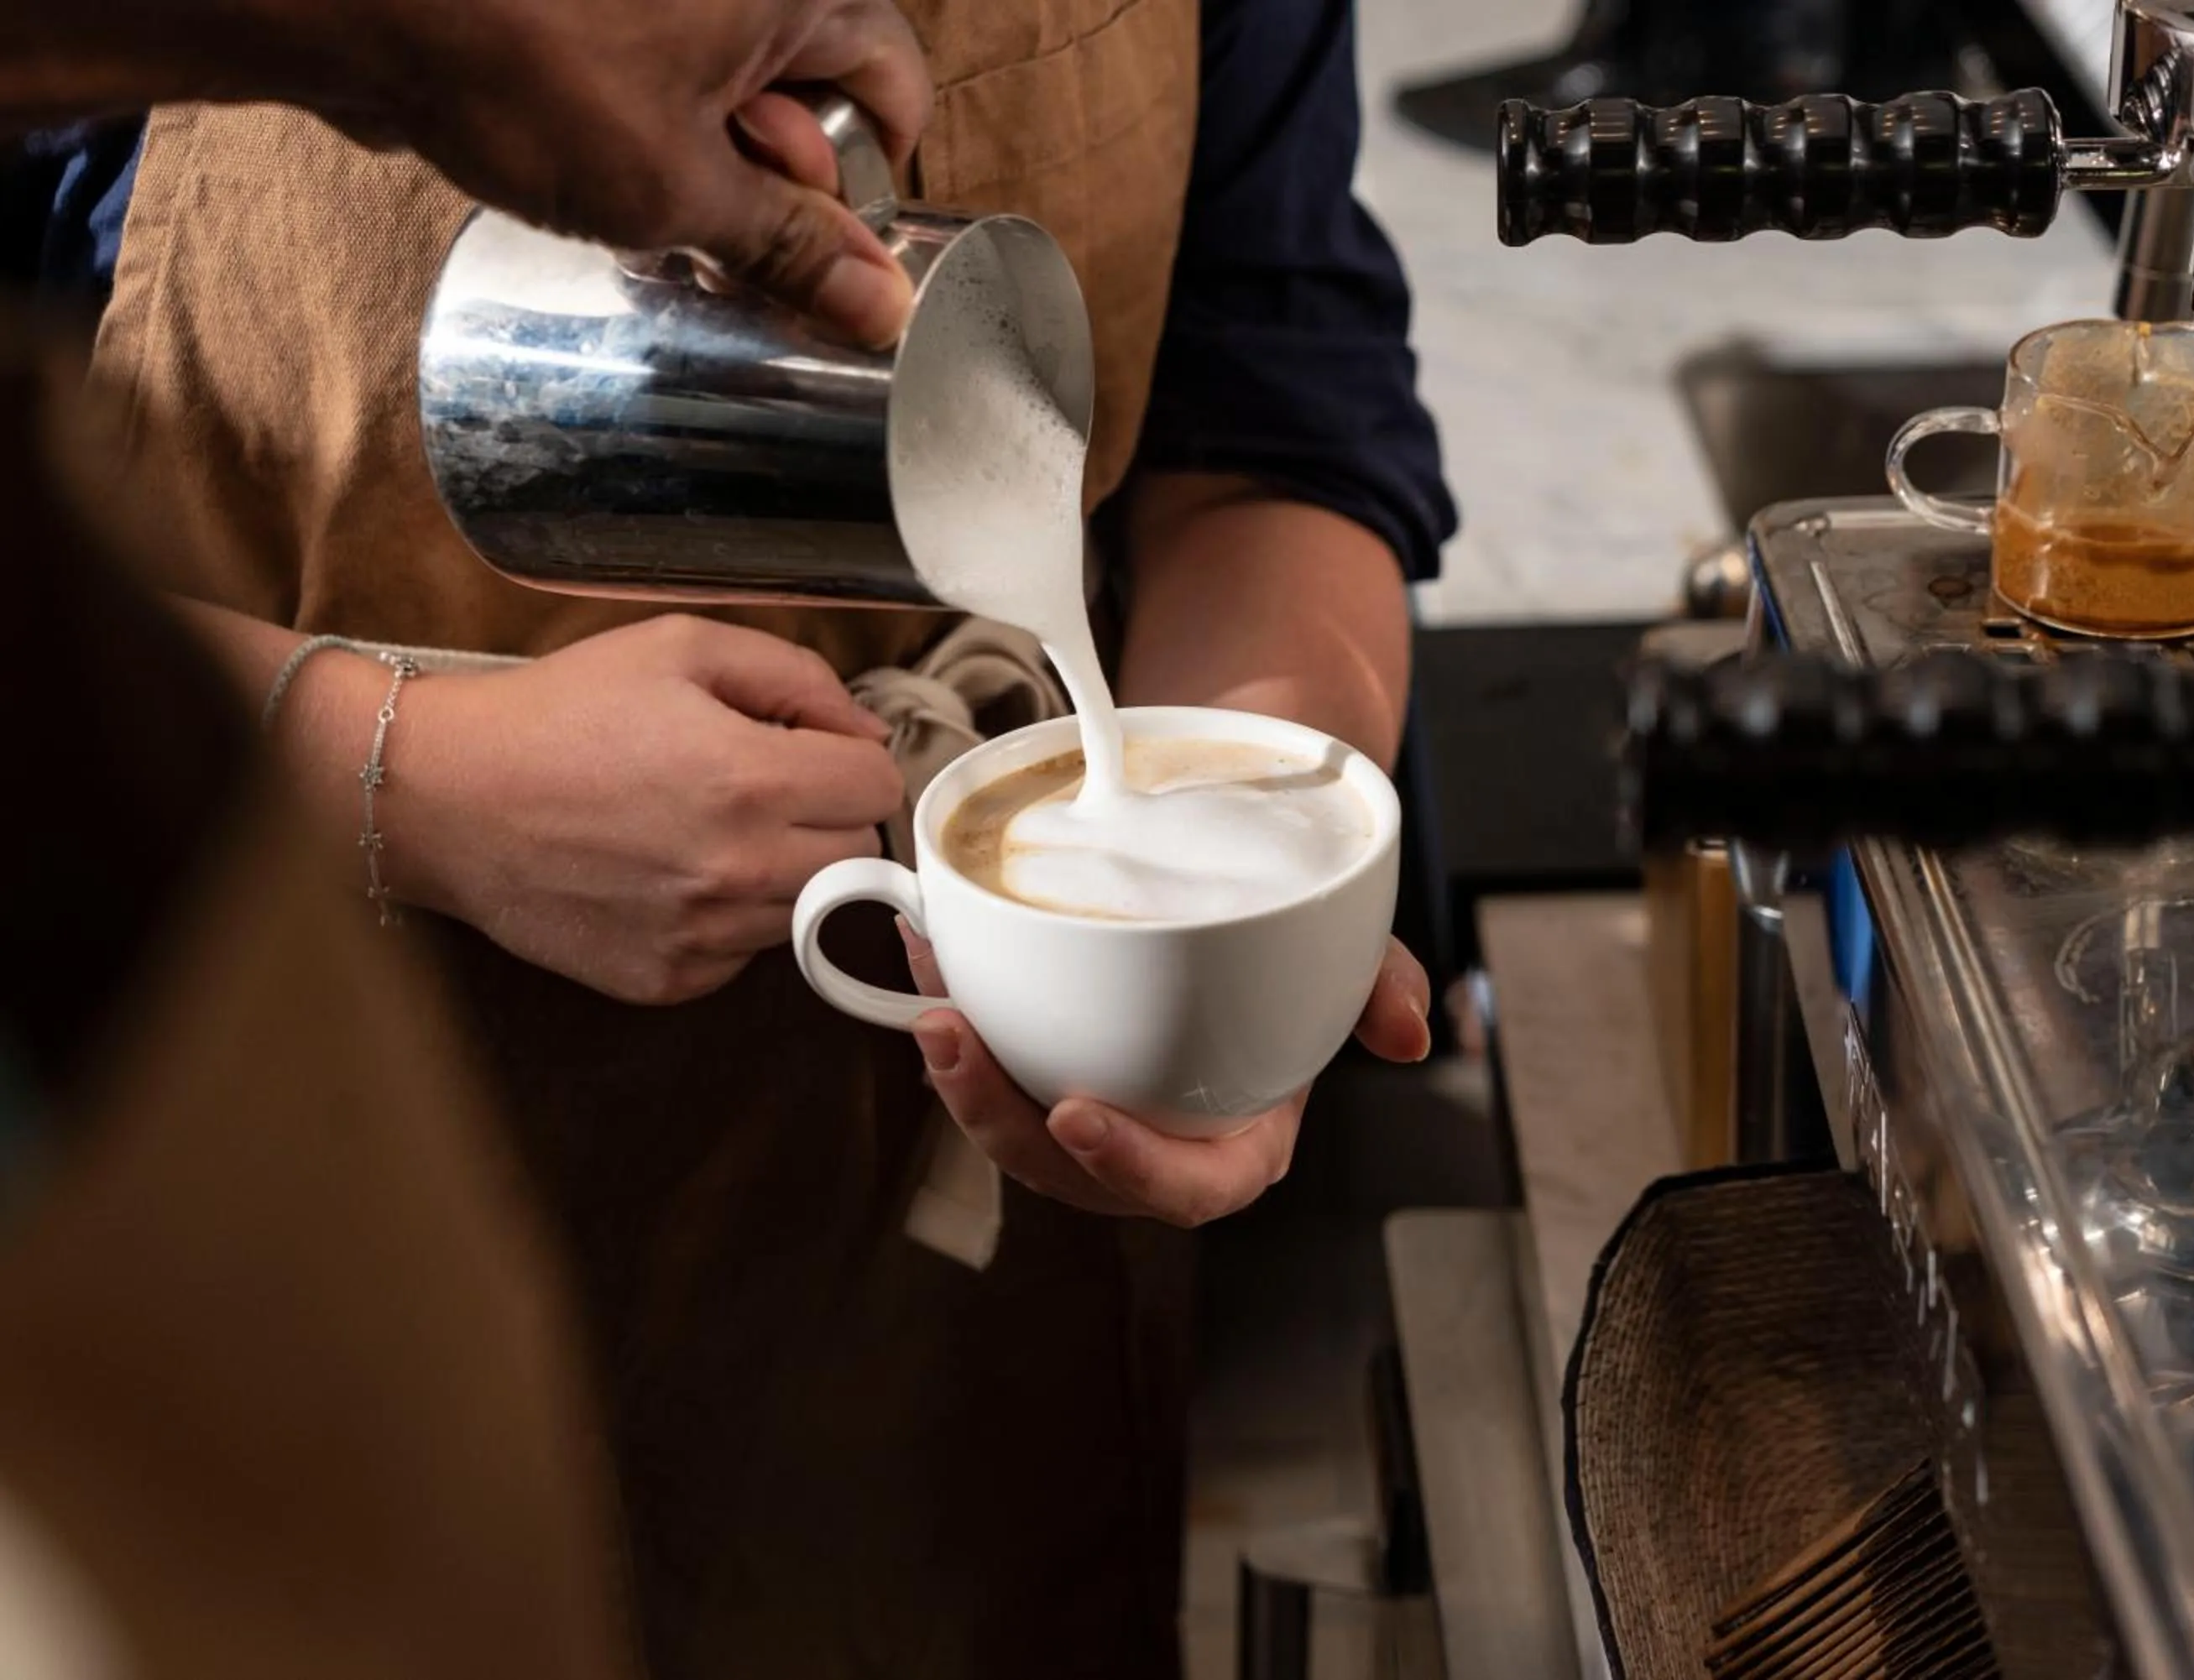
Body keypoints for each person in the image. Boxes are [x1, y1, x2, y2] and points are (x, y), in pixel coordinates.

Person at [81, 0, 1458, 1673]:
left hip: (925, 1202)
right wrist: (407, 778)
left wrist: (1234, 940)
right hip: (262, 1176)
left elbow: (1265, 445)